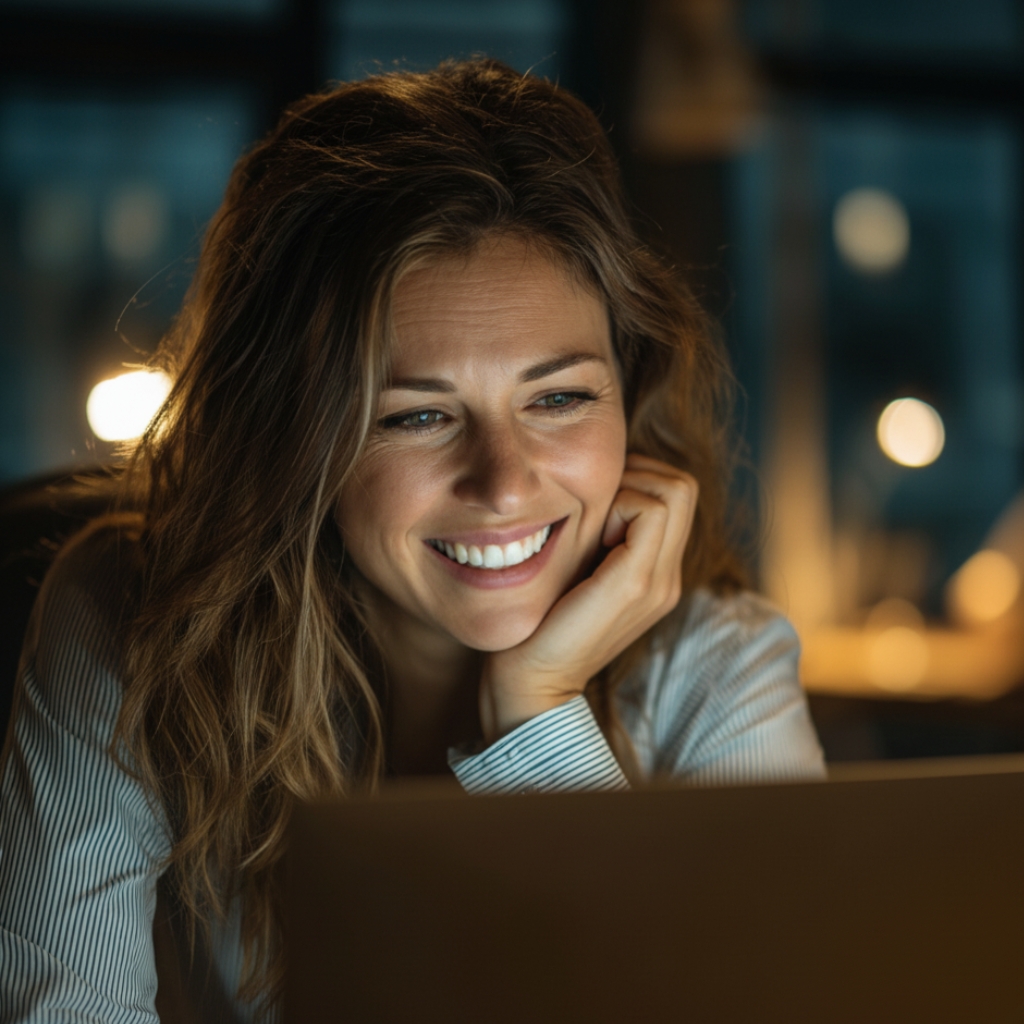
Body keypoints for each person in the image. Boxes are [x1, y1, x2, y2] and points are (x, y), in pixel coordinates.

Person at [0, 59, 825, 1022]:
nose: (506, 482)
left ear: (629, 393)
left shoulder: (719, 672)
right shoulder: (128, 609)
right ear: (292, 437)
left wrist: (537, 721)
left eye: (558, 398)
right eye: (415, 418)